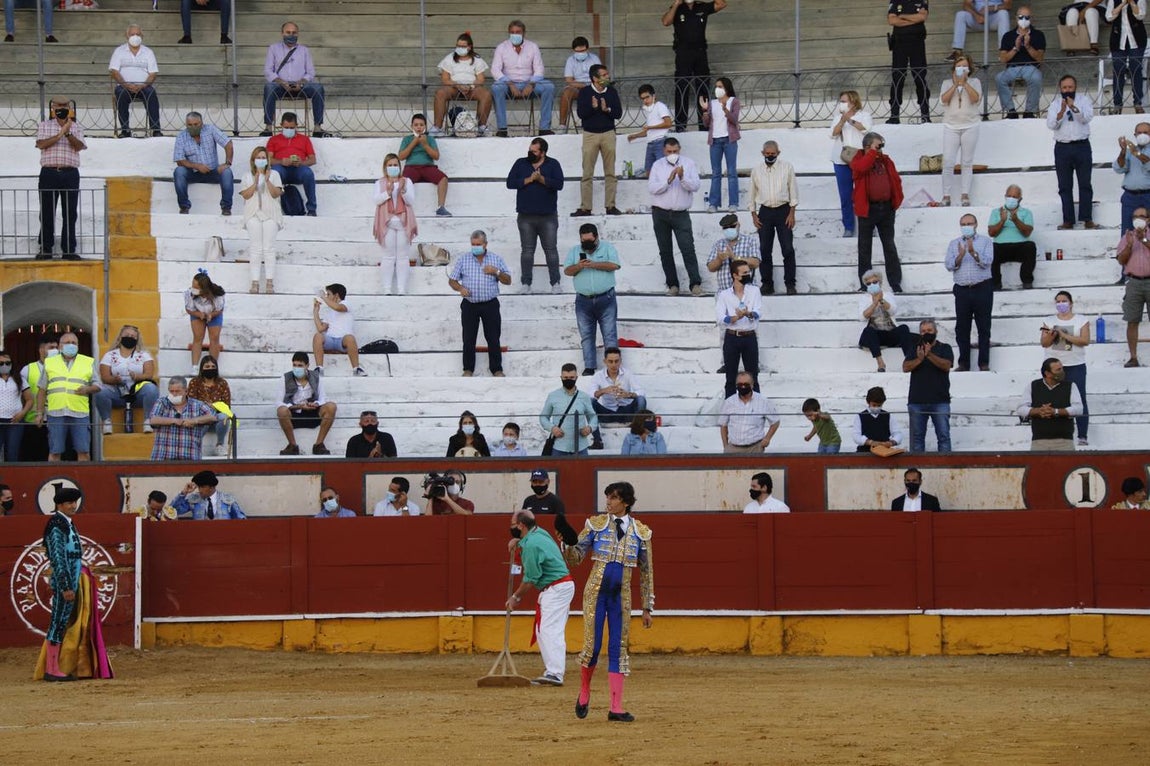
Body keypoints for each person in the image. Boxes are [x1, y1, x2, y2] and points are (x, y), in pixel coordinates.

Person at [565, 481, 654, 722]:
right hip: (596, 593)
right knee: (593, 647)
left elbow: (647, 572)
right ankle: (584, 692)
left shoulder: (641, 532)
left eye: (613, 498)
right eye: (607, 497)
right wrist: (567, 542)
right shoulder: (596, 525)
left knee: (618, 648)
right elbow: (576, 559)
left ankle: (616, 707)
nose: (608, 502)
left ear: (625, 502)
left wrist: (647, 607)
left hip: (621, 597)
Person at [34, 487, 113, 682]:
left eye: (74, 502)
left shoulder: (66, 523)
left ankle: (55, 667)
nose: (73, 505)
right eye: (69, 502)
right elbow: (58, 559)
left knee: (61, 622)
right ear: (59, 505)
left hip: (72, 579)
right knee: (58, 622)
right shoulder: (56, 525)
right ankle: (52, 669)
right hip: (66, 583)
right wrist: (65, 586)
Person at [508, 508, 575, 686]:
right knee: (544, 629)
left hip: (556, 588)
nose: (512, 527)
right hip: (559, 586)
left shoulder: (530, 545)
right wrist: (519, 540)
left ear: (521, 525)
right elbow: (531, 542)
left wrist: (515, 597)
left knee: (549, 629)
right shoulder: (539, 532)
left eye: (513, 525)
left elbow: (530, 579)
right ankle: (552, 671)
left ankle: (555, 673)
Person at [449, 230, 512, 377]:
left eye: (478, 244)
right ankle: (468, 369)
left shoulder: (496, 259)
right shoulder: (463, 259)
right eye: (473, 244)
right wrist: (460, 288)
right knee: (468, 338)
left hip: (490, 304)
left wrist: (496, 272)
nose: (475, 247)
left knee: (493, 337)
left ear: (485, 244)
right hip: (469, 304)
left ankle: (497, 369)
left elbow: (508, 280)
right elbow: (452, 280)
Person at [506, 136, 564, 293]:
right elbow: (510, 183)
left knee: (551, 250)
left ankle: (556, 283)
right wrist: (529, 180)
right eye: (529, 150)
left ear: (543, 152)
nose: (530, 153)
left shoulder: (553, 164)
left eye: (534, 151)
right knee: (527, 251)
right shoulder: (521, 163)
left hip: (548, 216)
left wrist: (542, 179)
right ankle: (526, 284)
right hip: (526, 216)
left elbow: (559, 184)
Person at [648, 137, 703, 296]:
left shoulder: (689, 163)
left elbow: (695, 186)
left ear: (679, 149)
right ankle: (673, 285)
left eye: (675, 151)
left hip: (681, 213)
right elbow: (652, 188)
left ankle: (695, 284)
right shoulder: (657, 165)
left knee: (687, 248)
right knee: (665, 251)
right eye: (669, 151)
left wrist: (682, 177)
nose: (672, 154)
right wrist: (669, 180)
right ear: (664, 151)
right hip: (660, 213)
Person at [565, 223, 621, 375]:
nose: (587, 244)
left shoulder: (607, 247)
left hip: (606, 298)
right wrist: (579, 266)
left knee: (609, 333)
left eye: (590, 241)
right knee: (586, 335)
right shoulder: (574, 251)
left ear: (596, 237)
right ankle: (589, 367)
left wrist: (594, 264)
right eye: (584, 241)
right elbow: (567, 271)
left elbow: (615, 265)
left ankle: (612, 367)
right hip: (583, 300)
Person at [852, 132, 904, 292]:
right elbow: (861, 167)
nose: (881, 149)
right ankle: (864, 283)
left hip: (886, 208)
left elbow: (895, 179)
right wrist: (873, 153)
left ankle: (895, 282)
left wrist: (896, 200)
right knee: (864, 247)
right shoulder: (858, 159)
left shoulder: (885, 160)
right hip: (868, 209)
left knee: (889, 245)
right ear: (868, 147)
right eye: (878, 145)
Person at [35, 96, 85, 260]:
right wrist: (59, 134)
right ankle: (46, 248)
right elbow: (41, 144)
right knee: (47, 211)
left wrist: (68, 132)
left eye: (64, 106)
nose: (61, 108)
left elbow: (78, 147)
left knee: (70, 212)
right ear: (53, 108)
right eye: (58, 106)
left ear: (69, 108)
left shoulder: (76, 127)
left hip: (70, 173)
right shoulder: (44, 125)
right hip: (49, 172)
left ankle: (69, 249)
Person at [663, 0, 726, 132]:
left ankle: (704, 125)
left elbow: (721, 4)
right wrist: (675, 4)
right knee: (682, 87)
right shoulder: (677, 8)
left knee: (703, 87)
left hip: (700, 53)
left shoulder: (702, 6)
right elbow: (666, 22)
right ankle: (680, 126)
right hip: (683, 54)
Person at [35, 331, 98, 462]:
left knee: (84, 451)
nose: (71, 345)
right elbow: (42, 390)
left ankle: (84, 480)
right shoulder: (50, 362)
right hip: (56, 413)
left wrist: (87, 389)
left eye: (74, 343)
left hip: (80, 413)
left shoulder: (88, 362)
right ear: (60, 346)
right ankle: (53, 479)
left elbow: (98, 385)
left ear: (78, 346)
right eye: (67, 343)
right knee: (55, 452)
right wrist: (40, 413)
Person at [571, 64, 623, 218]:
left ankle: (610, 206)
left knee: (610, 172)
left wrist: (607, 110)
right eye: (604, 75)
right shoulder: (585, 92)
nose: (608, 77)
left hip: (608, 133)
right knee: (587, 172)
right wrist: (593, 108)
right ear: (595, 78)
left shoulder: (612, 92)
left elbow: (618, 113)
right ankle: (586, 207)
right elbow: (581, 114)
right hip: (590, 135)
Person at [261, 21, 329, 137]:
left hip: (300, 85)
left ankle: (318, 127)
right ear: (282, 33)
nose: (291, 35)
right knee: (268, 88)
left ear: (298, 34)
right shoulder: (273, 48)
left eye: (294, 33)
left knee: (318, 88)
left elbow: (311, 72)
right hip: (281, 86)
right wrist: (281, 82)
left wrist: (301, 82)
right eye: (288, 32)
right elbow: (268, 71)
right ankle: (268, 127)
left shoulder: (304, 50)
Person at [1041, 291, 1091, 445]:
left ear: (1071, 303)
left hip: (1075, 364)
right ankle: (1054, 434)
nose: (1061, 304)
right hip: (1053, 366)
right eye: (1058, 301)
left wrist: (1064, 335)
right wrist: (1051, 335)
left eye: (1064, 301)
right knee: (1052, 399)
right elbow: (1044, 343)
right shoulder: (1048, 321)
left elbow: (1085, 340)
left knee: (1080, 398)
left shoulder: (1082, 320)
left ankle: (1082, 435)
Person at [946, 213, 995, 372]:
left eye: (969, 223)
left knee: (984, 327)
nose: (966, 226)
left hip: (982, 288)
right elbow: (948, 265)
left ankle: (984, 363)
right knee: (962, 328)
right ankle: (964, 363)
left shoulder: (986, 241)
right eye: (963, 223)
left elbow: (987, 262)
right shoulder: (954, 243)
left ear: (976, 224)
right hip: (962, 289)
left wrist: (973, 253)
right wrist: (960, 257)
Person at [748, 139, 798, 295]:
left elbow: (793, 191)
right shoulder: (756, 170)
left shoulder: (787, 167)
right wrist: (754, 214)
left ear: (778, 153)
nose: (770, 156)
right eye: (767, 154)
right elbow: (751, 193)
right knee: (764, 249)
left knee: (788, 249)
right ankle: (767, 284)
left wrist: (792, 213)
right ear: (763, 153)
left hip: (784, 211)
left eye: (773, 154)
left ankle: (790, 284)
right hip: (765, 212)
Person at [490, 20, 555, 138]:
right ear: (509, 33)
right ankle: (502, 128)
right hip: (508, 84)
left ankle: (544, 128)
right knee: (496, 88)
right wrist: (509, 83)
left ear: (524, 33)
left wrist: (531, 83)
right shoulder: (502, 47)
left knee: (549, 87)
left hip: (530, 83)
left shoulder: (532, 47)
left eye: (518, 32)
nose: (515, 34)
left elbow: (539, 69)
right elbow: (495, 70)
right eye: (512, 32)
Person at [1048, 74, 1096, 230]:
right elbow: (1051, 124)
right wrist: (1061, 111)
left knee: (1085, 184)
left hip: (1082, 146)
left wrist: (1073, 107)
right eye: (1064, 88)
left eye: (1070, 87)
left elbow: (1086, 118)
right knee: (1064, 186)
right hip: (1062, 148)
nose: (1067, 90)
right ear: (1060, 89)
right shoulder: (1055, 104)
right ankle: (1068, 220)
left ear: (1075, 88)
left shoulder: (1084, 100)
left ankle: (1087, 218)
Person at [94, 324, 159, 436]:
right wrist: (114, 379)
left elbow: (149, 374)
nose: (130, 337)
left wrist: (138, 377)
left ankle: (148, 421)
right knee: (100, 390)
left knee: (151, 389)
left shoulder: (144, 355)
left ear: (137, 339)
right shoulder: (110, 355)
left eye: (133, 336)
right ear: (120, 337)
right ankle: (107, 422)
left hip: (137, 392)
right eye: (127, 335)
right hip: (117, 392)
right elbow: (104, 376)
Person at [903, 318, 954, 453]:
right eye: (923, 331)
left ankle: (945, 467)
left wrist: (929, 354)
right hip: (917, 401)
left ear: (936, 331)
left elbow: (946, 366)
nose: (926, 333)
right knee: (917, 438)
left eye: (929, 330)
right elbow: (906, 367)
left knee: (943, 437)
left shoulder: (945, 347)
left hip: (940, 400)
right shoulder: (915, 348)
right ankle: (916, 470)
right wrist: (919, 359)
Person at [238, 145, 283, 295]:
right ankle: (255, 281)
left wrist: (268, 180)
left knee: (269, 248)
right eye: (258, 158)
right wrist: (255, 182)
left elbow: (276, 193)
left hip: (271, 214)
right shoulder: (247, 176)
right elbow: (246, 195)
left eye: (264, 158)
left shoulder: (275, 174)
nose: (261, 160)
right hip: (253, 214)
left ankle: (270, 281)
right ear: (253, 160)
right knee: (255, 248)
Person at [715, 259, 762, 397]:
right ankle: (730, 408)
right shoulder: (724, 295)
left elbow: (758, 312)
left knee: (753, 375)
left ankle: (757, 408)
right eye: (745, 273)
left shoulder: (754, 291)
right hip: (732, 337)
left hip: (749, 336)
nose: (748, 275)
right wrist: (735, 318)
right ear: (735, 275)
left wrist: (747, 314)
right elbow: (720, 318)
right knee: (730, 377)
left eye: (748, 272)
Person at [276, 351, 337, 456]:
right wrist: (298, 406)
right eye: (294, 365)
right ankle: (292, 445)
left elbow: (323, 398)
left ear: (307, 366)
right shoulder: (285, 378)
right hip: (294, 414)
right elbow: (278, 402)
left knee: (331, 406)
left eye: (300, 365)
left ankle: (319, 444)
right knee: (281, 411)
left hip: (312, 412)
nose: (297, 368)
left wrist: (315, 404)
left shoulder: (316, 377)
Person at [939, 54, 981, 208]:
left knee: (967, 162)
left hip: (971, 125)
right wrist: (956, 85)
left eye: (964, 66)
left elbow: (976, 99)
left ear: (969, 69)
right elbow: (944, 99)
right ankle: (946, 195)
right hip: (951, 126)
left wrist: (965, 83)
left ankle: (965, 194)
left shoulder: (975, 82)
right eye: (958, 66)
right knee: (948, 161)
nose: (961, 69)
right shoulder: (946, 83)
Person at [830, 90, 873, 238]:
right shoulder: (837, 118)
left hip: (859, 158)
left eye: (844, 101)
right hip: (840, 160)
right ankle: (848, 226)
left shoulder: (864, 115)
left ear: (853, 102)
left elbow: (866, 129)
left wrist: (850, 120)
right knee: (845, 195)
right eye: (840, 101)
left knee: (864, 193)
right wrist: (842, 120)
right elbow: (833, 134)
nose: (841, 104)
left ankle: (868, 225)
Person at [172, 111, 233, 216]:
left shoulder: (210, 129)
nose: (193, 127)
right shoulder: (181, 136)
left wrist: (227, 163)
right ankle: (184, 207)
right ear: (186, 125)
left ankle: (226, 208)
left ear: (202, 123)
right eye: (190, 125)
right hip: (193, 173)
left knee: (227, 172)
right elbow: (179, 160)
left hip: (213, 171)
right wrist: (197, 166)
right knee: (179, 171)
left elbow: (228, 143)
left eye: (196, 124)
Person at [374, 153, 419, 295]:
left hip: (403, 222)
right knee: (388, 256)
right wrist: (387, 193)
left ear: (399, 167)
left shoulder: (407, 181)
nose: (393, 168)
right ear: (385, 167)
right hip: (386, 222)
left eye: (395, 165)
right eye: (390, 165)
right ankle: (387, 289)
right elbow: (376, 200)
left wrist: (403, 192)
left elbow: (411, 201)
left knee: (403, 256)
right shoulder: (379, 183)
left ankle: (401, 289)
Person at [1014, 357, 1082, 450]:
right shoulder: (1033, 386)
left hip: (1065, 442)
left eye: (1062, 368)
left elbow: (1079, 409)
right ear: (1047, 373)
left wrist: (1056, 411)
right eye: (1058, 370)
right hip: (1039, 442)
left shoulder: (1071, 386)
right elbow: (1021, 409)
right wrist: (1038, 411)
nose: (1062, 371)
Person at [433, 32, 492, 135]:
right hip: (454, 87)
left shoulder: (477, 59)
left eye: (463, 46)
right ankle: (437, 127)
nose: (459, 48)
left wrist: (470, 86)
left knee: (486, 94)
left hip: (471, 88)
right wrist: (457, 85)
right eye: (458, 46)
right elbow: (445, 79)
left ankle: (481, 126)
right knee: (440, 93)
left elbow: (481, 79)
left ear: (469, 47)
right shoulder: (450, 58)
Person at [147, 376, 217, 461]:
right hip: (163, 459)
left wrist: (195, 420)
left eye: (177, 391)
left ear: (186, 391)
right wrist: (174, 421)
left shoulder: (197, 405)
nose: (174, 394)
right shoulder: (162, 402)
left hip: (190, 459)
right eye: (171, 391)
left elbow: (213, 416)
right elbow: (153, 419)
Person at [109, 24, 161, 138]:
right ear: (127, 36)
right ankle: (125, 130)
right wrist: (126, 85)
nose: (135, 36)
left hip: (144, 87)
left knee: (151, 93)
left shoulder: (148, 52)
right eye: (132, 34)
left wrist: (142, 85)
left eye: (138, 34)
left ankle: (156, 129)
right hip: (124, 86)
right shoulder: (119, 51)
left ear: (142, 36)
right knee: (120, 93)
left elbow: (153, 74)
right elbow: (114, 72)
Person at [995, 6, 1046, 119]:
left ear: (1031, 19)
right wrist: (1015, 48)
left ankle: (1029, 111)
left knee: (1036, 78)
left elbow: (1040, 58)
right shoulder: (1008, 36)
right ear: (1016, 18)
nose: (1024, 19)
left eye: (1027, 17)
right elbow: (1003, 59)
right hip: (1012, 67)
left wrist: (1028, 46)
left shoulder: (1038, 35)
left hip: (1031, 67)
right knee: (999, 78)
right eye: (1021, 16)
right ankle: (1011, 111)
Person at [398, 114, 452, 218]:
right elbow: (401, 156)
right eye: (416, 125)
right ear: (412, 126)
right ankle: (401, 209)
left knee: (443, 179)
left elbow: (436, 156)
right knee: (402, 182)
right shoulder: (407, 139)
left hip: (428, 167)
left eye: (421, 125)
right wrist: (414, 142)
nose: (419, 127)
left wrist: (425, 144)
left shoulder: (430, 139)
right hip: (411, 167)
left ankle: (441, 207)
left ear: (425, 127)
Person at [887, 0, 932, 125]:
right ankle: (894, 115)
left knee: (920, 77)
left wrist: (902, 16)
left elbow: (922, 17)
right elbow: (892, 20)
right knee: (897, 78)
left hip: (917, 43)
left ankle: (925, 114)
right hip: (899, 43)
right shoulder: (895, 1)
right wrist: (913, 19)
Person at [266, 111, 317, 217]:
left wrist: (301, 162)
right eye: (286, 127)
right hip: (281, 169)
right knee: (274, 173)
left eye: (291, 127)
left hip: (298, 169)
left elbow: (312, 160)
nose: (289, 130)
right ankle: (271, 209)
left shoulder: (304, 139)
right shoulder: (273, 140)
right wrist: (281, 161)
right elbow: (268, 160)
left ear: (296, 126)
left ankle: (312, 209)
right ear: (281, 126)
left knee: (308, 174)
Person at [857, 270, 910, 373]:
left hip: (889, 332)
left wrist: (881, 300)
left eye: (874, 282)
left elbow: (893, 310)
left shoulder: (888, 295)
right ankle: (880, 363)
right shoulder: (864, 298)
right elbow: (862, 317)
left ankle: (908, 360)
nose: (872, 285)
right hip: (875, 336)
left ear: (880, 282)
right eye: (868, 283)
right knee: (868, 331)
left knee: (904, 328)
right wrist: (874, 303)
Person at [540, 364, 598, 456]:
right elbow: (543, 417)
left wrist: (590, 428)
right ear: (561, 377)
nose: (568, 380)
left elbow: (593, 417)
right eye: (565, 377)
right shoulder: (553, 396)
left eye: (571, 377)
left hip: (581, 446)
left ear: (576, 378)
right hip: (559, 446)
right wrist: (552, 428)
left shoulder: (584, 396)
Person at [1118, 206, 1150, 366]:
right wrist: (1130, 245)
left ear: (1148, 219)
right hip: (1134, 282)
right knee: (1132, 320)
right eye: (1135, 216)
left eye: (1142, 216)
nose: (1138, 219)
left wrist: (1143, 239)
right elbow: (1121, 261)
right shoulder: (1127, 237)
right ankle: (1133, 357)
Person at [703, 76, 740, 213]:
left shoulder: (734, 101)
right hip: (715, 141)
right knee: (716, 173)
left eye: (720, 86)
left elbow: (734, 120)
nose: (717, 89)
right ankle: (713, 204)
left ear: (727, 88)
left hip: (729, 140)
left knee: (731, 172)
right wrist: (705, 111)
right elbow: (706, 124)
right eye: (716, 86)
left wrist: (725, 109)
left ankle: (733, 203)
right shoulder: (712, 103)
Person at [989, 184, 1037, 290]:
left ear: (1020, 199)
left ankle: (1027, 280)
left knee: (1030, 246)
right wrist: (1002, 221)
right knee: (990, 248)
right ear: (1005, 196)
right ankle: (995, 283)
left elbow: (1027, 232)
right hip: (1001, 247)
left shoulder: (1027, 213)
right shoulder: (996, 212)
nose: (1011, 198)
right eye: (1009, 195)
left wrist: (1016, 220)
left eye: (1015, 197)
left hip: (1020, 247)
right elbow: (991, 233)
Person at [719, 371, 779, 453]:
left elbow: (775, 422)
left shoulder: (763, 401)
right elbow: (723, 425)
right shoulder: (729, 402)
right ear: (736, 385)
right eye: (740, 384)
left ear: (752, 385)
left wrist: (767, 439)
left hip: (755, 448)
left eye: (746, 384)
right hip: (733, 448)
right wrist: (725, 446)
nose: (743, 387)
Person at [312, 282, 365, 377]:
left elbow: (338, 307)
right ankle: (319, 368)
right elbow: (320, 328)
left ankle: (356, 369)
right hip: (330, 339)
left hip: (343, 340)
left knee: (350, 338)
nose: (327, 296)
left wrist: (323, 297)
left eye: (329, 294)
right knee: (318, 336)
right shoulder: (329, 312)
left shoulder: (346, 304)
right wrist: (316, 311)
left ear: (336, 295)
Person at [19, 333, 57, 462]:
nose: (55, 351)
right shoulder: (27, 369)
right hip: (34, 421)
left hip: (57, 419)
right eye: (51, 347)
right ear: (41, 349)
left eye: (56, 348)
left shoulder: (62, 368)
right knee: (34, 457)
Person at [186, 355, 232, 457]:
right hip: (201, 416)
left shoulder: (222, 383)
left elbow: (227, 406)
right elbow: (191, 402)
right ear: (202, 368)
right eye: (207, 367)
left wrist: (214, 406)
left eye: (212, 366)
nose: (210, 369)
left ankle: (219, 445)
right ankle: (195, 446)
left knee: (225, 417)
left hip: (217, 418)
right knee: (205, 417)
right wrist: (205, 407)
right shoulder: (195, 382)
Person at [1107, 0, 1147, 115]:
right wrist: (1122, 4)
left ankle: (1138, 103)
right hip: (1118, 41)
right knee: (1118, 71)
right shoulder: (1113, 1)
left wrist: (1132, 3)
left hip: (1137, 40)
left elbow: (1140, 15)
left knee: (1136, 70)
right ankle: (1117, 105)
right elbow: (1109, 17)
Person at [590, 347, 647, 427]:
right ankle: (595, 431)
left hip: (626, 412)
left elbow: (641, 392)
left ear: (620, 361)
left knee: (641, 399)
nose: (614, 365)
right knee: (590, 402)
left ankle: (637, 428)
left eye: (616, 361)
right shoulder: (598, 376)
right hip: (607, 413)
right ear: (605, 361)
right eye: (610, 361)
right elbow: (591, 396)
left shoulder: (628, 373)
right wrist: (603, 391)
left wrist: (629, 394)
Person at [627, 84, 673, 177]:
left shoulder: (660, 106)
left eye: (647, 97)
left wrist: (650, 127)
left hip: (660, 142)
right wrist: (635, 135)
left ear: (654, 96)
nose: (645, 100)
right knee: (649, 172)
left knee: (662, 172)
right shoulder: (649, 109)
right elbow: (648, 131)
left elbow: (668, 123)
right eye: (642, 98)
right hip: (651, 143)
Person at [185, 270, 225, 374]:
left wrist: (211, 315)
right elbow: (188, 309)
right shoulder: (189, 293)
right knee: (198, 337)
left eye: (196, 287)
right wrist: (199, 315)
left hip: (214, 314)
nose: (193, 288)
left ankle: (212, 366)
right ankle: (194, 367)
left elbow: (220, 309)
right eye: (193, 285)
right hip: (196, 313)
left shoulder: (218, 294)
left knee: (214, 338)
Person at [1114, 123, 1150, 243]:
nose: (1142, 135)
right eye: (1139, 133)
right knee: (1127, 230)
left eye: (1146, 132)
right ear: (1135, 135)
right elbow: (1119, 168)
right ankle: (1128, 258)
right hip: (1130, 196)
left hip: (1148, 195)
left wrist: (1136, 153)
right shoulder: (1130, 150)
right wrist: (1123, 151)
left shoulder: (1134, 151)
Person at [561, 36, 601, 132]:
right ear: (573, 50)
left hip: (593, 87)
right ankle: (562, 125)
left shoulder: (594, 59)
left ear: (587, 49)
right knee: (566, 93)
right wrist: (583, 85)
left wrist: (589, 85)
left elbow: (600, 77)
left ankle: (595, 123)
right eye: (577, 51)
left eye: (582, 51)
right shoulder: (570, 60)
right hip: (577, 88)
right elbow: (569, 80)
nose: (580, 53)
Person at [172, 469, 247, 520]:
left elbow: (241, 520)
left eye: (202, 487)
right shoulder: (194, 499)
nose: (199, 490)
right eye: (198, 487)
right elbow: (173, 511)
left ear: (211, 487)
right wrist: (184, 493)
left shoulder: (228, 500)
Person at [852, 386, 903, 453]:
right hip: (865, 452)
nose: (876, 407)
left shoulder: (888, 416)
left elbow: (898, 433)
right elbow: (856, 436)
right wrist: (870, 442)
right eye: (874, 405)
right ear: (868, 402)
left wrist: (891, 442)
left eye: (879, 405)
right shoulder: (860, 416)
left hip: (884, 451)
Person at [0, 351, 29, 461]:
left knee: (12, 453)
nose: (4, 366)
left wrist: (22, 414)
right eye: (1, 363)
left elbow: (30, 399)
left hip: (15, 421)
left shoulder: (19, 379)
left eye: (7, 363)